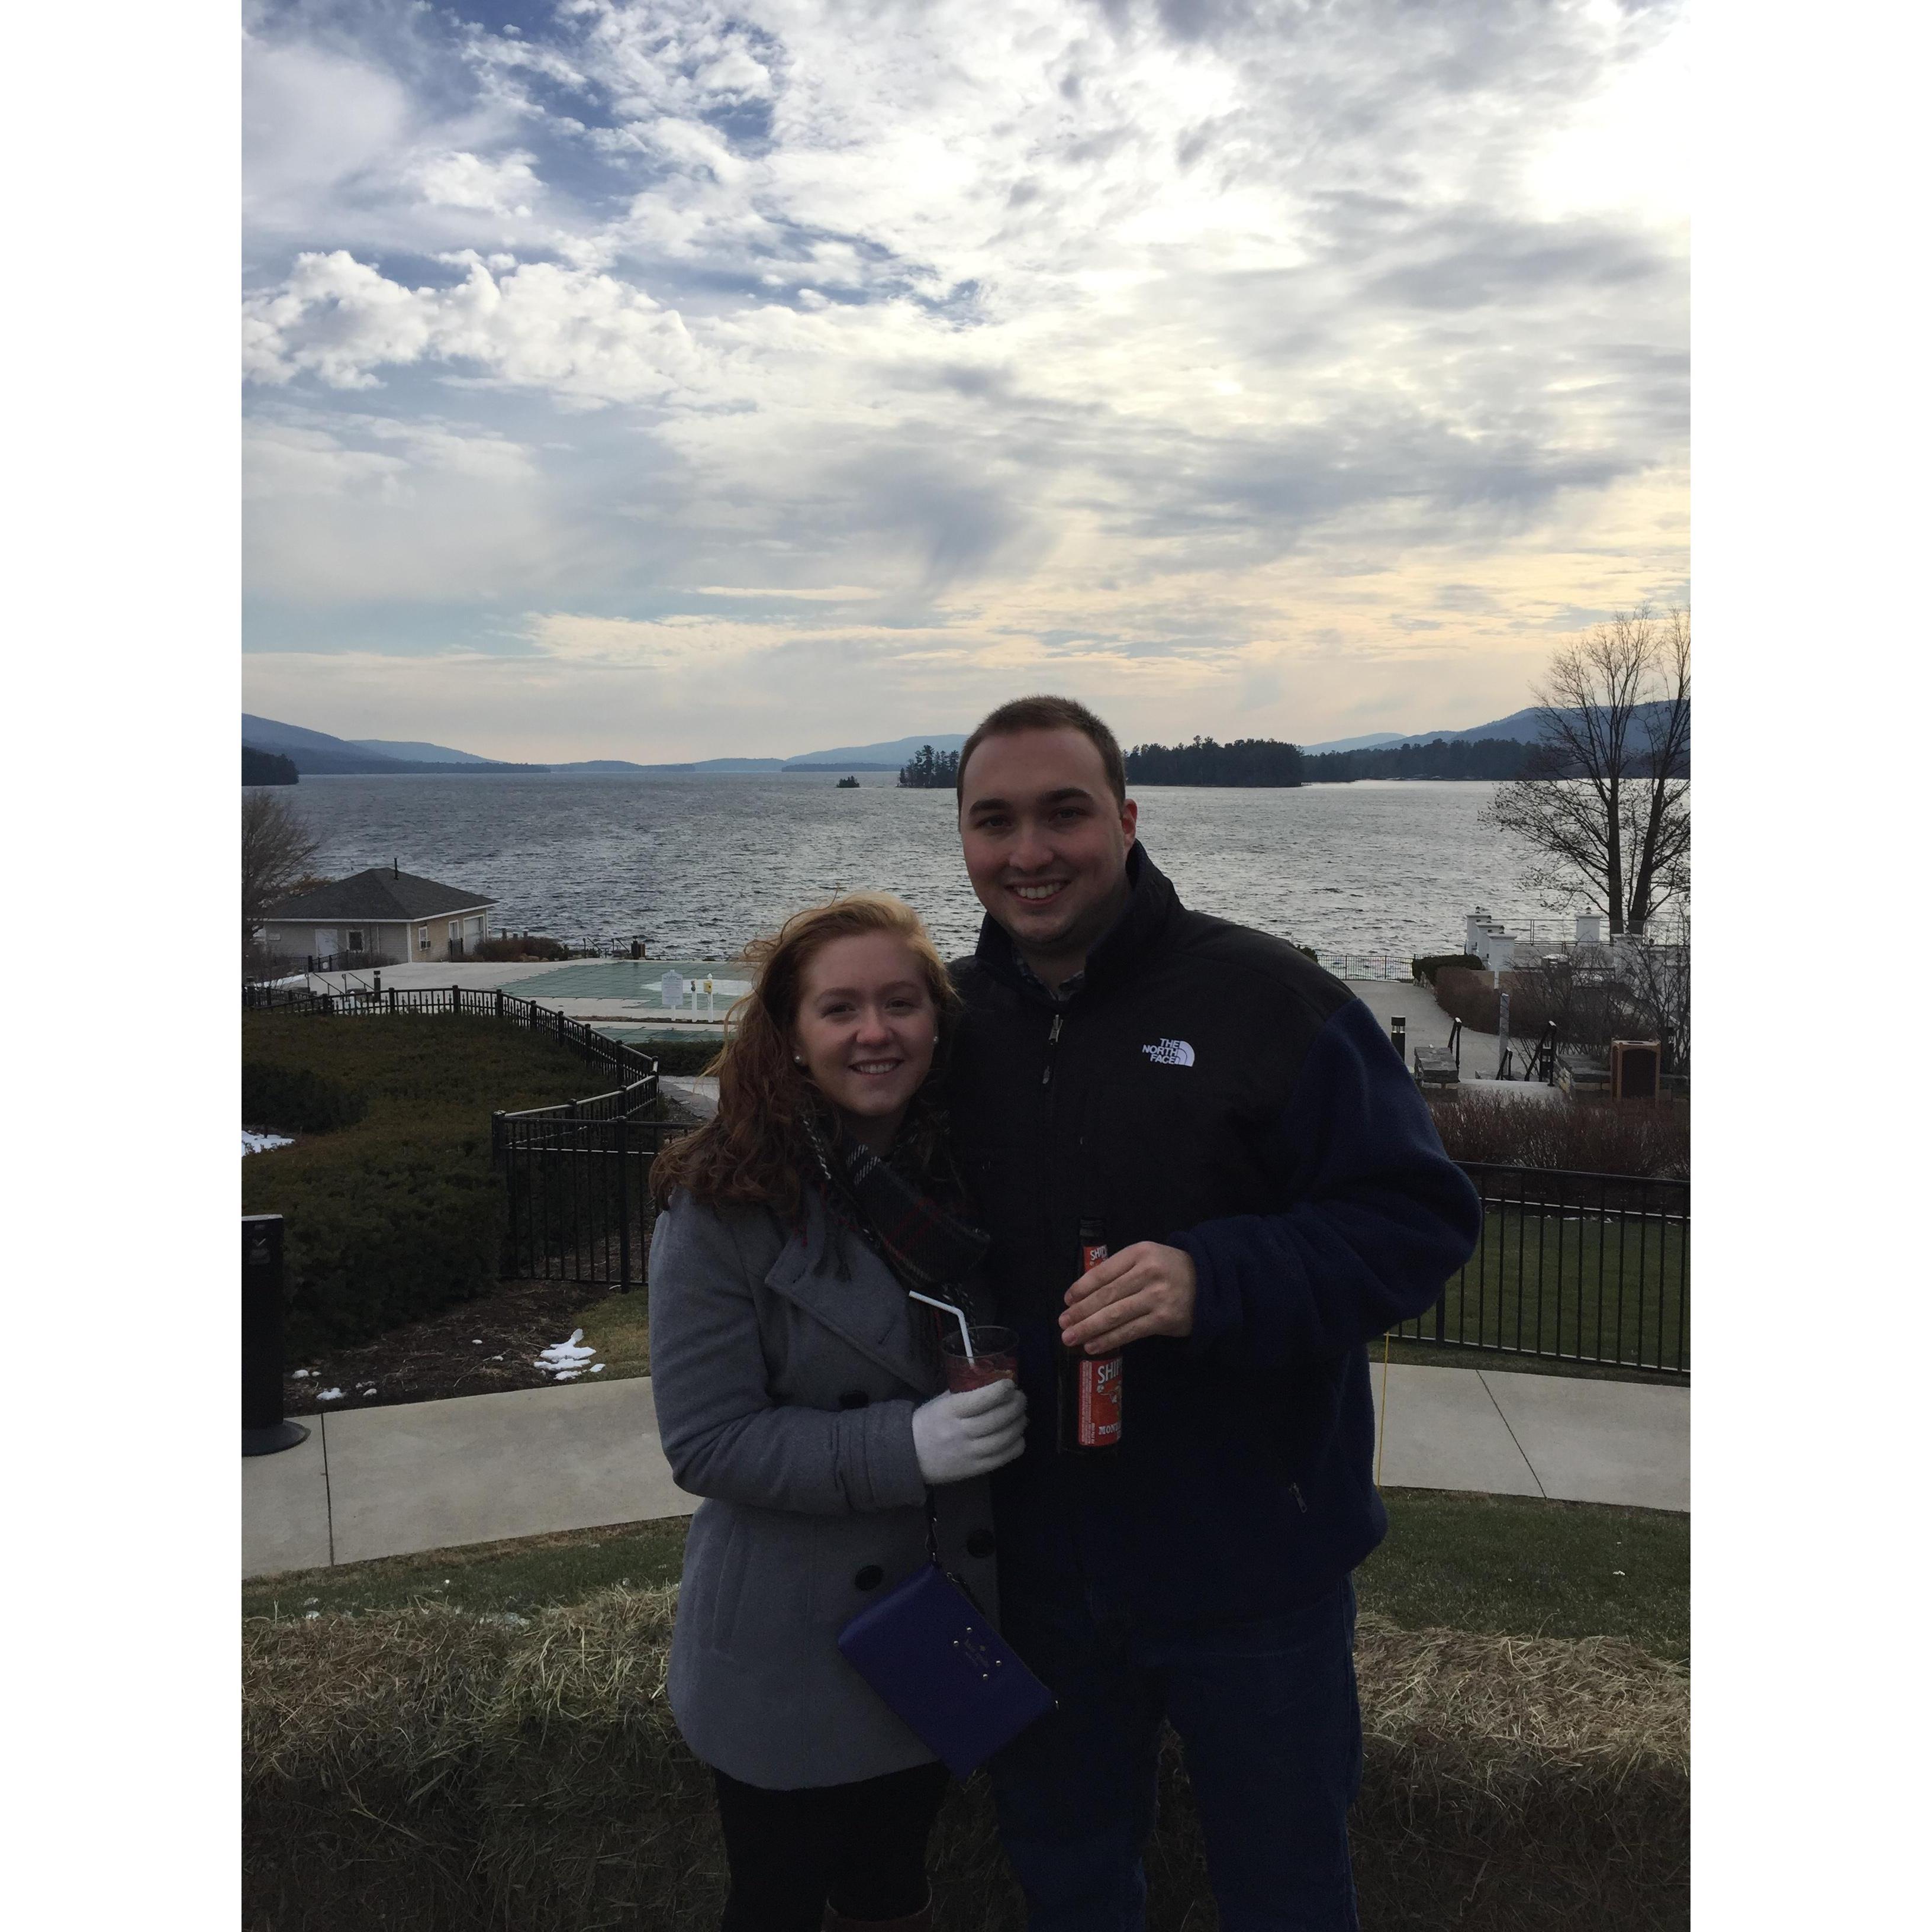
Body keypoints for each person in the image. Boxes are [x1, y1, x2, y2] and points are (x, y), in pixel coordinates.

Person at [944, 695, 1483, 1931]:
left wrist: (1213, 1278)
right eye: (996, 820)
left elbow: (1418, 1221)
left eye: (1064, 813)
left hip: (1255, 1570)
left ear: (1127, 822)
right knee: (1070, 1880)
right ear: (964, 840)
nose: (1030, 850)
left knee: (1286, 1893)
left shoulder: (1270, 1001)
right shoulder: (951, 1024)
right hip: (1031, 1571)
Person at [647, 894, 1030, 1932]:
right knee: (776, 1902)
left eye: (902, 1003)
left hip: (936, 1620)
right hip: (788, 1648)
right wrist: (903, 1444)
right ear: (791, 1038)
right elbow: (706, 1439)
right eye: (841, 1009)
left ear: (937, 1023)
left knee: (891, 1890)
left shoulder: (975, 1177)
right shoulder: (720, 1203)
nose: (875, 1032)